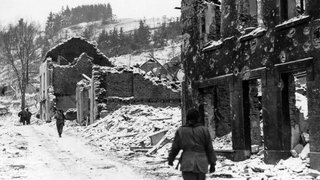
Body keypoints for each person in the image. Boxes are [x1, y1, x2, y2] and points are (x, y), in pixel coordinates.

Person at [168, 108, 217, 180]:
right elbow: (209, 148)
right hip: (201, 163)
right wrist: (212, 163)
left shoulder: (181, 130)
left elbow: (175, 147)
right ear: (198, 118)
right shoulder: (204, 130)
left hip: (187, 163)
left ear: (187, 118)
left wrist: (171, 159)